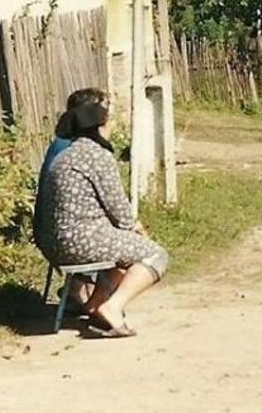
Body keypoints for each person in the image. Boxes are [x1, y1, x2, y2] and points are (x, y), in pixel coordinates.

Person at [36, 99, 168, 338]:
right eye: (109, 121)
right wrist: (137, 229)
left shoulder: (65, 155)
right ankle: (113, 307)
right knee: (155, 254)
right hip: (83, 241)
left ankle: (95, 306)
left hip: (56, 243)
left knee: (121, 250)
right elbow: (119, 209)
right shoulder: (97, 156)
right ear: (100, 126)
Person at [33, 87, 106, 314]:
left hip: (50, 230)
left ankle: (84, 289)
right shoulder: (76, 148)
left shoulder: (62, 142)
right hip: (62, 234)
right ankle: (92, 297)